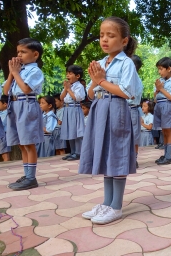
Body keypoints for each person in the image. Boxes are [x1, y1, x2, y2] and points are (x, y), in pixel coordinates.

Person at [79, 16, 139, 224]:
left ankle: (116, 207)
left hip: (116, 110)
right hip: (100, 109)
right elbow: (90, 94)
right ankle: (106, 203)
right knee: (106, 155)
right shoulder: (101, 63)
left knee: (116, 155)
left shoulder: (126, 63)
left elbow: (126, 92)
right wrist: (95, 81)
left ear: (124, 41)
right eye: (102, 35)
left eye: (110, 35)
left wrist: (101, 81)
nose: (104, 39)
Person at [3, 38, 44, 190]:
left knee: (29, 143)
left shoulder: (35, 71)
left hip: (27, 104)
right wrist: (11, 73)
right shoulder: (18, 71)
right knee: (21, 143)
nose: (19, 55)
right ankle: (27, 174)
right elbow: (6, 91)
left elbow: (26, 89)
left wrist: (16, 73)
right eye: (18, 52)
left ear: (35, 54)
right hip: (15, 105)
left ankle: (31, 178)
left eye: (23, 52)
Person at [153, 57, 171, 165]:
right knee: (163, 131)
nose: (159, 72)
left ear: (169, 69)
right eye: (158, 69)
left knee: (168, 131)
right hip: (159, 105)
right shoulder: (162, 81)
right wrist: (158, 89)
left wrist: (161, 89)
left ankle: (169, 156)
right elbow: (155, 97)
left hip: (167, 106)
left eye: (161, 69)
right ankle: (165, 154)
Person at [60, 65, 86, 161]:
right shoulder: (68, 86)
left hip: (74, 109)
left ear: (77, 76)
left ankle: (79, 152)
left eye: (70, 73)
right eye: (67, 73)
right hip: (67, 109)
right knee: (69, 131)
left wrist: (69, 89)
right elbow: (61, 98)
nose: (68, 75)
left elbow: (77, 98)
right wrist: (66, 88)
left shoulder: (79, 86)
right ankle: (72, 152)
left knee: (76, 131)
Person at [128, 55, 143, 168]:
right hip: (128, 108)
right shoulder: (129, 77)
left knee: (133, 136)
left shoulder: (134, 79)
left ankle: (134, 159)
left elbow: (131, 96)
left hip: (131, 108)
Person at [0, 95, 11, 162]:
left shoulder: (8, 113)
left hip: (3, 135)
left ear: (5, 104)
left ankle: (7, 166)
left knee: (5, 154)